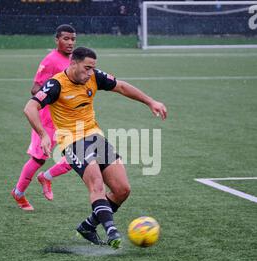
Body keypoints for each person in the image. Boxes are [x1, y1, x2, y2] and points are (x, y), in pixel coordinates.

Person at [23, 47, 167, 249]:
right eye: (87, 68)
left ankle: (87, 227)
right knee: (97, 185)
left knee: (122, 190)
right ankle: (111, 231)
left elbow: (122, 87)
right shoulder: (56, 84)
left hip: (94, 136)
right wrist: (43, 135)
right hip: (71, 141)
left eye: (93, 68)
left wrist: (150, 101)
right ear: (73, 64)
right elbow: (30, 107)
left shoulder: (94, 77)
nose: (91, 73)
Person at [11, 24, 76, 211]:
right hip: (47, 117)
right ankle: (18, 193)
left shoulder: (74, 59)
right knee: (39, 159)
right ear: (57, 40)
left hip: (67, 117)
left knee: (78, 156)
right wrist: (54, 97)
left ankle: (46, 177)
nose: (70, 42)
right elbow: (35, 89)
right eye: (66, 38)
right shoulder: (50, 60)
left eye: (73, 39)